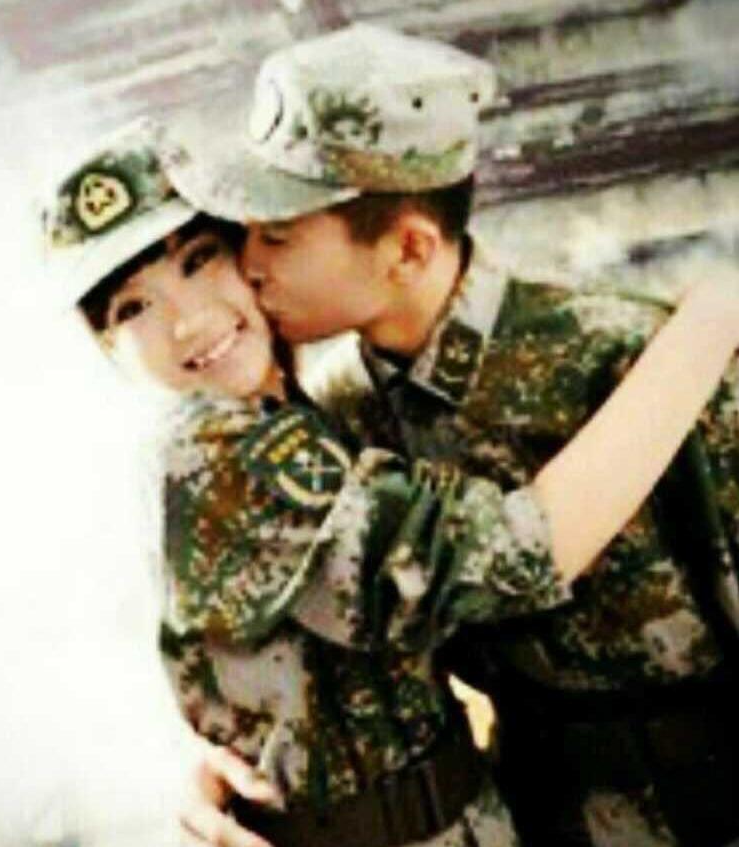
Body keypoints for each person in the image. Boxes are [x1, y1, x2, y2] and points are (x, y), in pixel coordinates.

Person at [159, 22, 739, 847]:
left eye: (276, 237)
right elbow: (336, 659)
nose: (245, 266)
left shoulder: (625, 359)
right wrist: (224, 768)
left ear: (407, 248)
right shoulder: (330, 411)